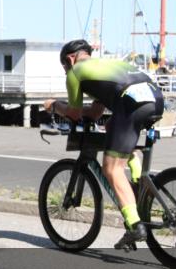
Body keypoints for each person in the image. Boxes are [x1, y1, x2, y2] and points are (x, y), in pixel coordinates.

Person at [43, 40, 165, 251]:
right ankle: (138, 182)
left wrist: (54, 106)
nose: (65, 72)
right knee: (114, 131)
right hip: (155, 99)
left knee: (111, 167)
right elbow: (95, 113)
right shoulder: (105, 67)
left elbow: (74, 112)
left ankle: (135, 224)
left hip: (131, 104)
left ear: (70, 59)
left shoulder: (76, 72)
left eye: (64, 66)